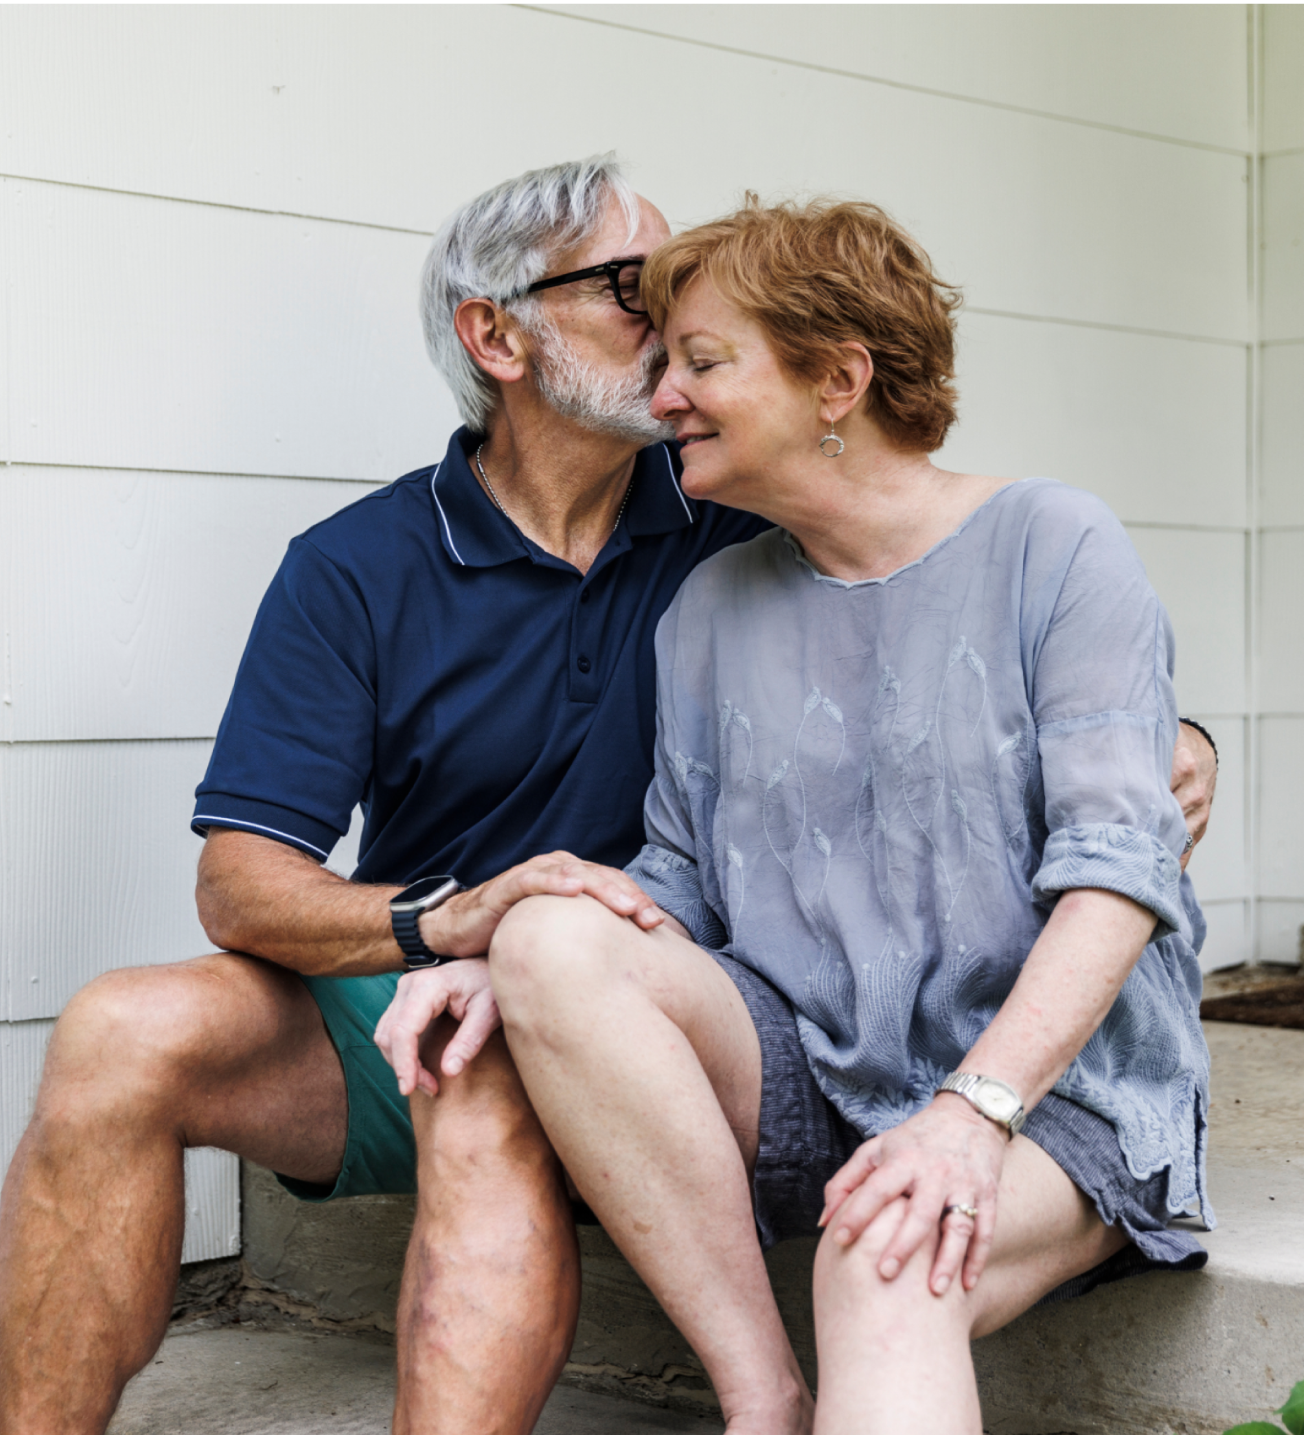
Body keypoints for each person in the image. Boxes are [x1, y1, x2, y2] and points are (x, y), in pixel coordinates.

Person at [0, 156, 1217, 1435]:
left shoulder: (730, 515)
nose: (670, 351)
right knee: (118, 1031)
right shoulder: (371, 568)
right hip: (483, 978)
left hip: (639, 1017)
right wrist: (453, 928)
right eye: (635, 292)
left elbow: (959, 606)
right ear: (495, 336)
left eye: (695, 330)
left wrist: (1173, 738)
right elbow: (239, 884)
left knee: (498, 1066)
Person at [474, 198, 1215, 1435]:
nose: (662, 400)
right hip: (810, 1069)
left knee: (882, 1256)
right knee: (550, 935)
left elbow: (1117, 874)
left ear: (837, 378)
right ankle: (763, 1399)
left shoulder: (1052, 543)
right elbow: (679, 882)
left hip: (1056, 1094)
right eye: (663, 367)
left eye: (701, 363)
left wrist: (971, 1118)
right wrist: (509, 960)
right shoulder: (707, 606)